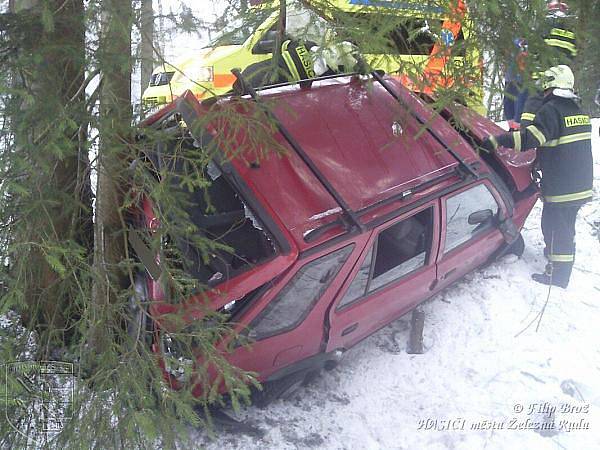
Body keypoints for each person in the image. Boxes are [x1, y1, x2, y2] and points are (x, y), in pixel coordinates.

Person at [482, 65, 593, 289]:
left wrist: (499, 141)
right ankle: (557, 253)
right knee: (565, 224)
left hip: (564, 186)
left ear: (549, 85)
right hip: (580, 184)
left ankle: (559, 275)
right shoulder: (577, 110)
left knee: (554, 226)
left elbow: (532, 139)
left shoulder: (551, 110)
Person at [519, 0, 577, 128]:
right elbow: (572, 55)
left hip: (541, 78)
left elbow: (531, 50)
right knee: (557, 112)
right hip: (561, 82)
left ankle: (525, 137)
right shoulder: (570, 30)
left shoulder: (542, 25)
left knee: (531, 111)